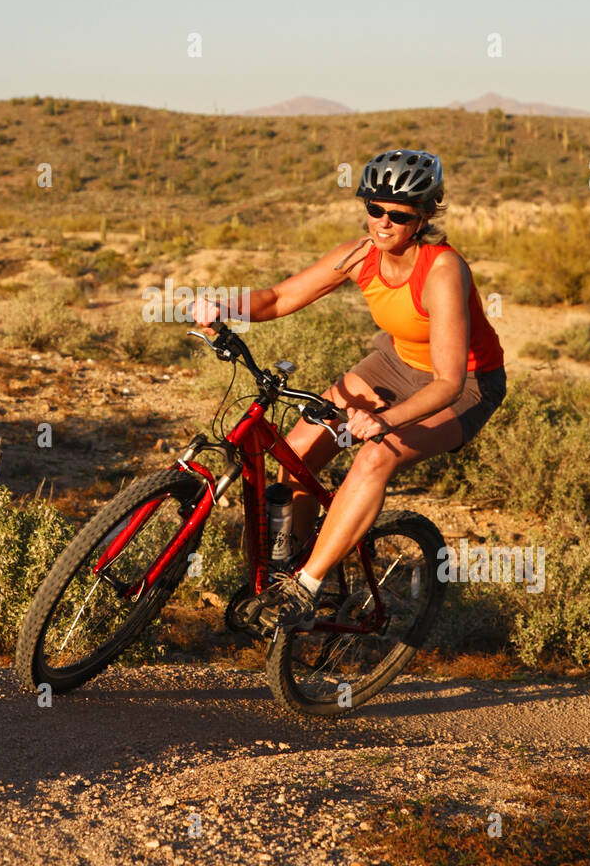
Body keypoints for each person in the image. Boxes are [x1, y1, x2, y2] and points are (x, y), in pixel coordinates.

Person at [191, 148, 507, 633]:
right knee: (296, 450)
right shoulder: (360, 254)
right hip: (395, 362)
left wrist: (384, 421)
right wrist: (222, 304)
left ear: (424, 215)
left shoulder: (443, 271)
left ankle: (306, 587)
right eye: (373, 208)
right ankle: (286, 565)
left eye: (398, 214)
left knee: (375, 457)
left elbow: (447, 382)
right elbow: (279, 297)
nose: (382, 222)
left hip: (465, 385)